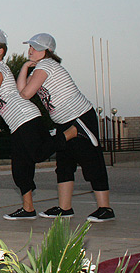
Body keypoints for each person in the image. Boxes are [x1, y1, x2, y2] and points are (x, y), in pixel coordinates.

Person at [0, 29, 71, 220]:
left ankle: (70, 133)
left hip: (26, 117)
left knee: (37, 155)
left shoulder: (0, 70)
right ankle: (28, 209)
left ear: (1, 51)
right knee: (20, 168)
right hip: (16, 123)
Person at [17, 33, 114, 222]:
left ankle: (105, 208)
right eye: (30, 46)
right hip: (64, 122)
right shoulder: (39, 68)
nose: (30, 50)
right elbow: (22, 91)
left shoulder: (46, 65)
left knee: (91, 161)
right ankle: (65, 208)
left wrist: (28, 69)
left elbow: (26, 94)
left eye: (35, 47)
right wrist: (24, 67)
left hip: (79, 118)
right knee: (64, 164)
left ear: (47, 51)